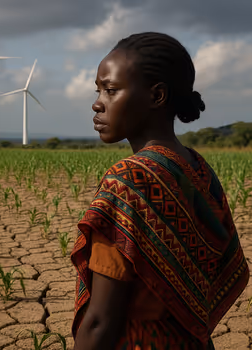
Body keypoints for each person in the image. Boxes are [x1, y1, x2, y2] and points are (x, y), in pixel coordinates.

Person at [70, 32, 250, 350]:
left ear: (157, 96)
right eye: (98, 90)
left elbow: (100, 322)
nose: (97, 103)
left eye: (111, 90)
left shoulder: (128, 182)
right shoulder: (198, 169)